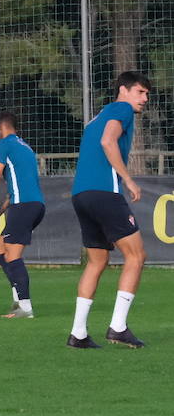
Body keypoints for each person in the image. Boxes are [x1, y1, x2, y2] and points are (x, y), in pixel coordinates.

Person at [67, 71, 152, 349]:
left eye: (147, 94)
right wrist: (127, 179)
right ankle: (118, 327)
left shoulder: (98, 115)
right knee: (137, 255)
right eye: (140, 92)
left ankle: (78, 333)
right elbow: (108, 141)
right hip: (104, 192)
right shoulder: (121, 108)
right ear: (124, 90)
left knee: (97, 261)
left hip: (81, 195)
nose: (145, 98)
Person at [0, 111, 45, 318]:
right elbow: (19, 185)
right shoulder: (25, 147)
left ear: (0, 128)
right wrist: (1, 211)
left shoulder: (4, 145)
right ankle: (18, 300)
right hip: (34, 205)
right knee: (0, 248)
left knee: (13, 255)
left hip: (23, 206)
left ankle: (25, 307)